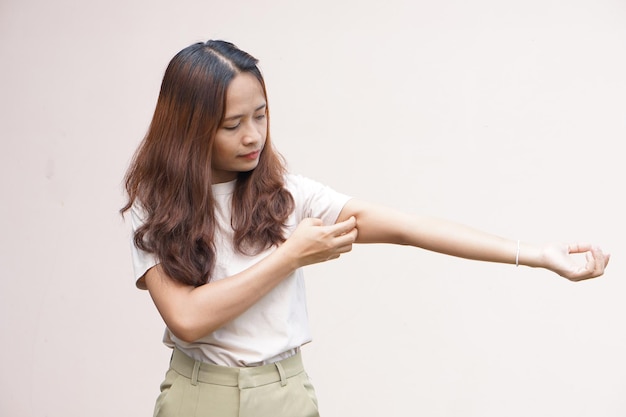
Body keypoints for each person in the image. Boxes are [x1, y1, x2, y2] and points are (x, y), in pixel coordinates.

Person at [120, 40, 610, 417]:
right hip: (197, 394)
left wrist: (535, 254)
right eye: (232, 124)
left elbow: (409, 228)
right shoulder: (156, 205)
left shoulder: (287, 196)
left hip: (284, 393)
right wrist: (290, 256)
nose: (253, 135)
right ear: (188, 126)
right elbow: (186, 318)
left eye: (261, 115)